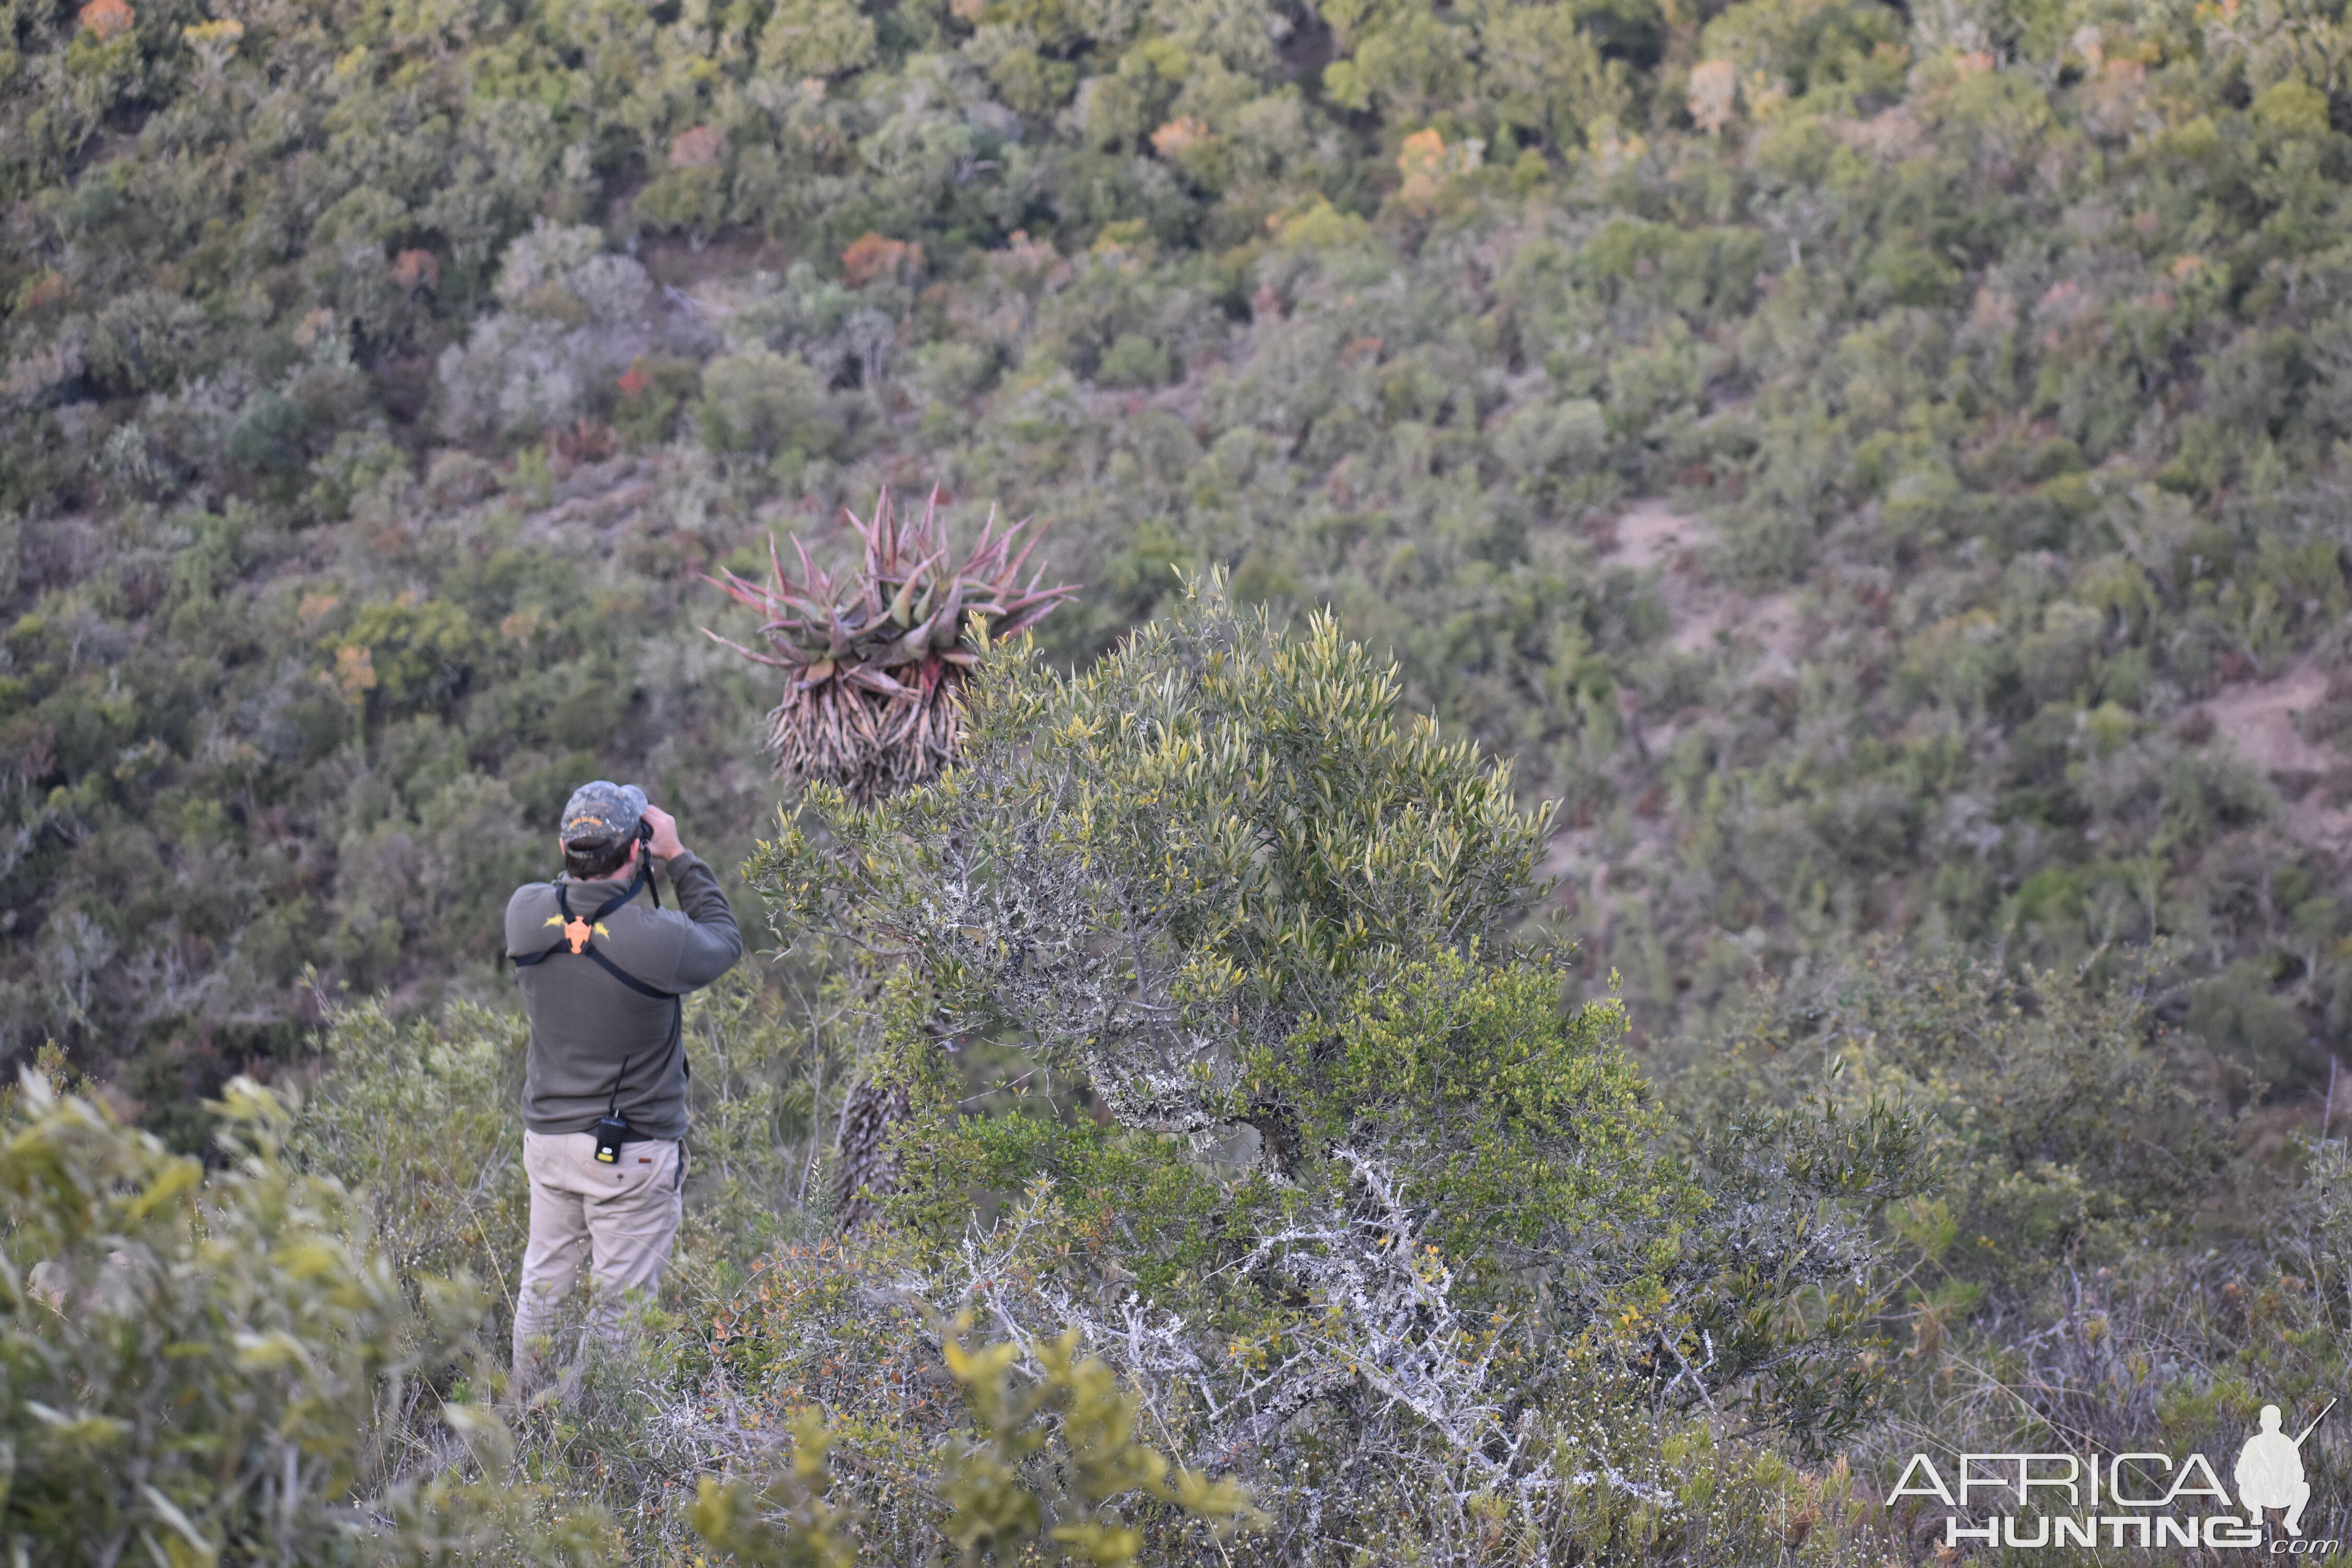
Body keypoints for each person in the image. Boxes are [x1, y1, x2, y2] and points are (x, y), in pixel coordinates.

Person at [504, 781, 742, 1392]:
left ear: (562, 846)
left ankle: (528, 1418)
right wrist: (678, 857)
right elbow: (724, 938)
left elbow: (572, 904)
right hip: (629, 1155)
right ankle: (603, 1438)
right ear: (637, 852)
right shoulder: (658, 941)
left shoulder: (525, 915)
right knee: (622, 1310)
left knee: (544, 1288)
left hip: (549, 1144)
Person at [2236, 1403, 2313, 1536]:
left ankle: (2291, 1521)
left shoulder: (2287, 1444)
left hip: (2282, 1494)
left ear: (2280, 1423)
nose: (2270, 1425)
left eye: (2274, 1422)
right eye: (2267, 1422)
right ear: (2261, 1423)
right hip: (2259, 1495)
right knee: (2254, 1478)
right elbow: (2239, 1474)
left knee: (2304, 1488)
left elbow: (2299, 1473)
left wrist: (2286, 1476)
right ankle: (2257, 1513)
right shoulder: (2253, 1444)